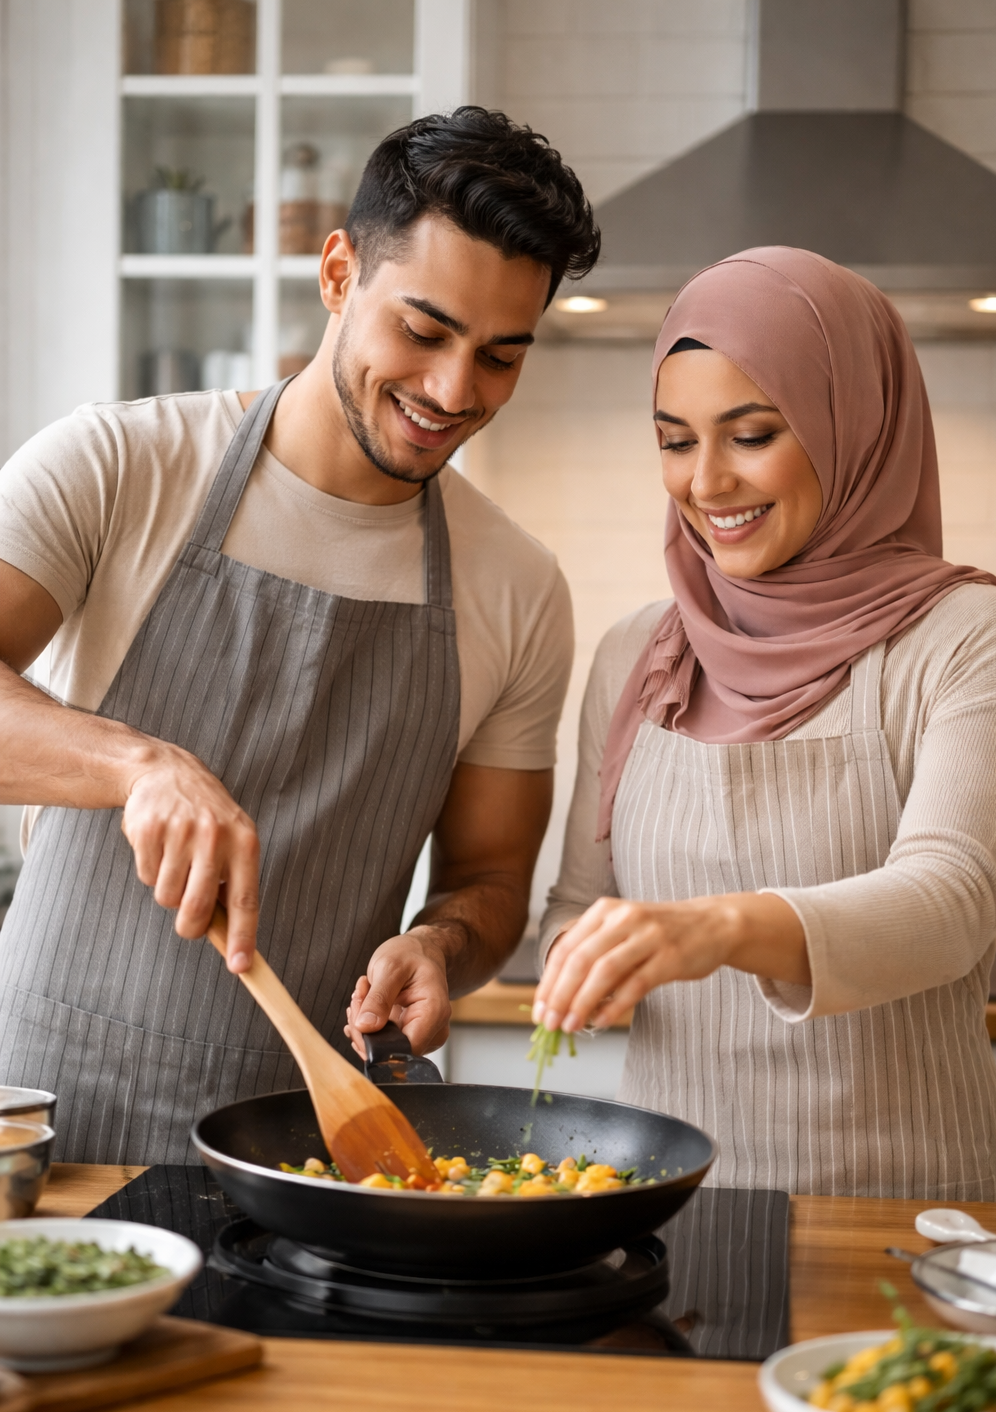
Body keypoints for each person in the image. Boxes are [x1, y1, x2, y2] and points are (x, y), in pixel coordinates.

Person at [0, 107, 600, 1164]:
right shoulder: (118, 465)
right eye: (422, 331)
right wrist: (137, 764)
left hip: (316, 1146)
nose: (454, 392)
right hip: (52, 1122)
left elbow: (492, 880)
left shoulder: (516, 586)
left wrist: (441, 945)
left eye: (501, 357)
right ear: (337, 273)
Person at [537, 246, 996, 1201]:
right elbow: (575, 907)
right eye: (675, 440)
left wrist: (718, 929)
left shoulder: (967, 636)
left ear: (854, 430)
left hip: (909, 1204)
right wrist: (578, 966)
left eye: (751, 434)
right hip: (669, 1205)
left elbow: (953, 901)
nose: (705, 483)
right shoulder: (640, 650)